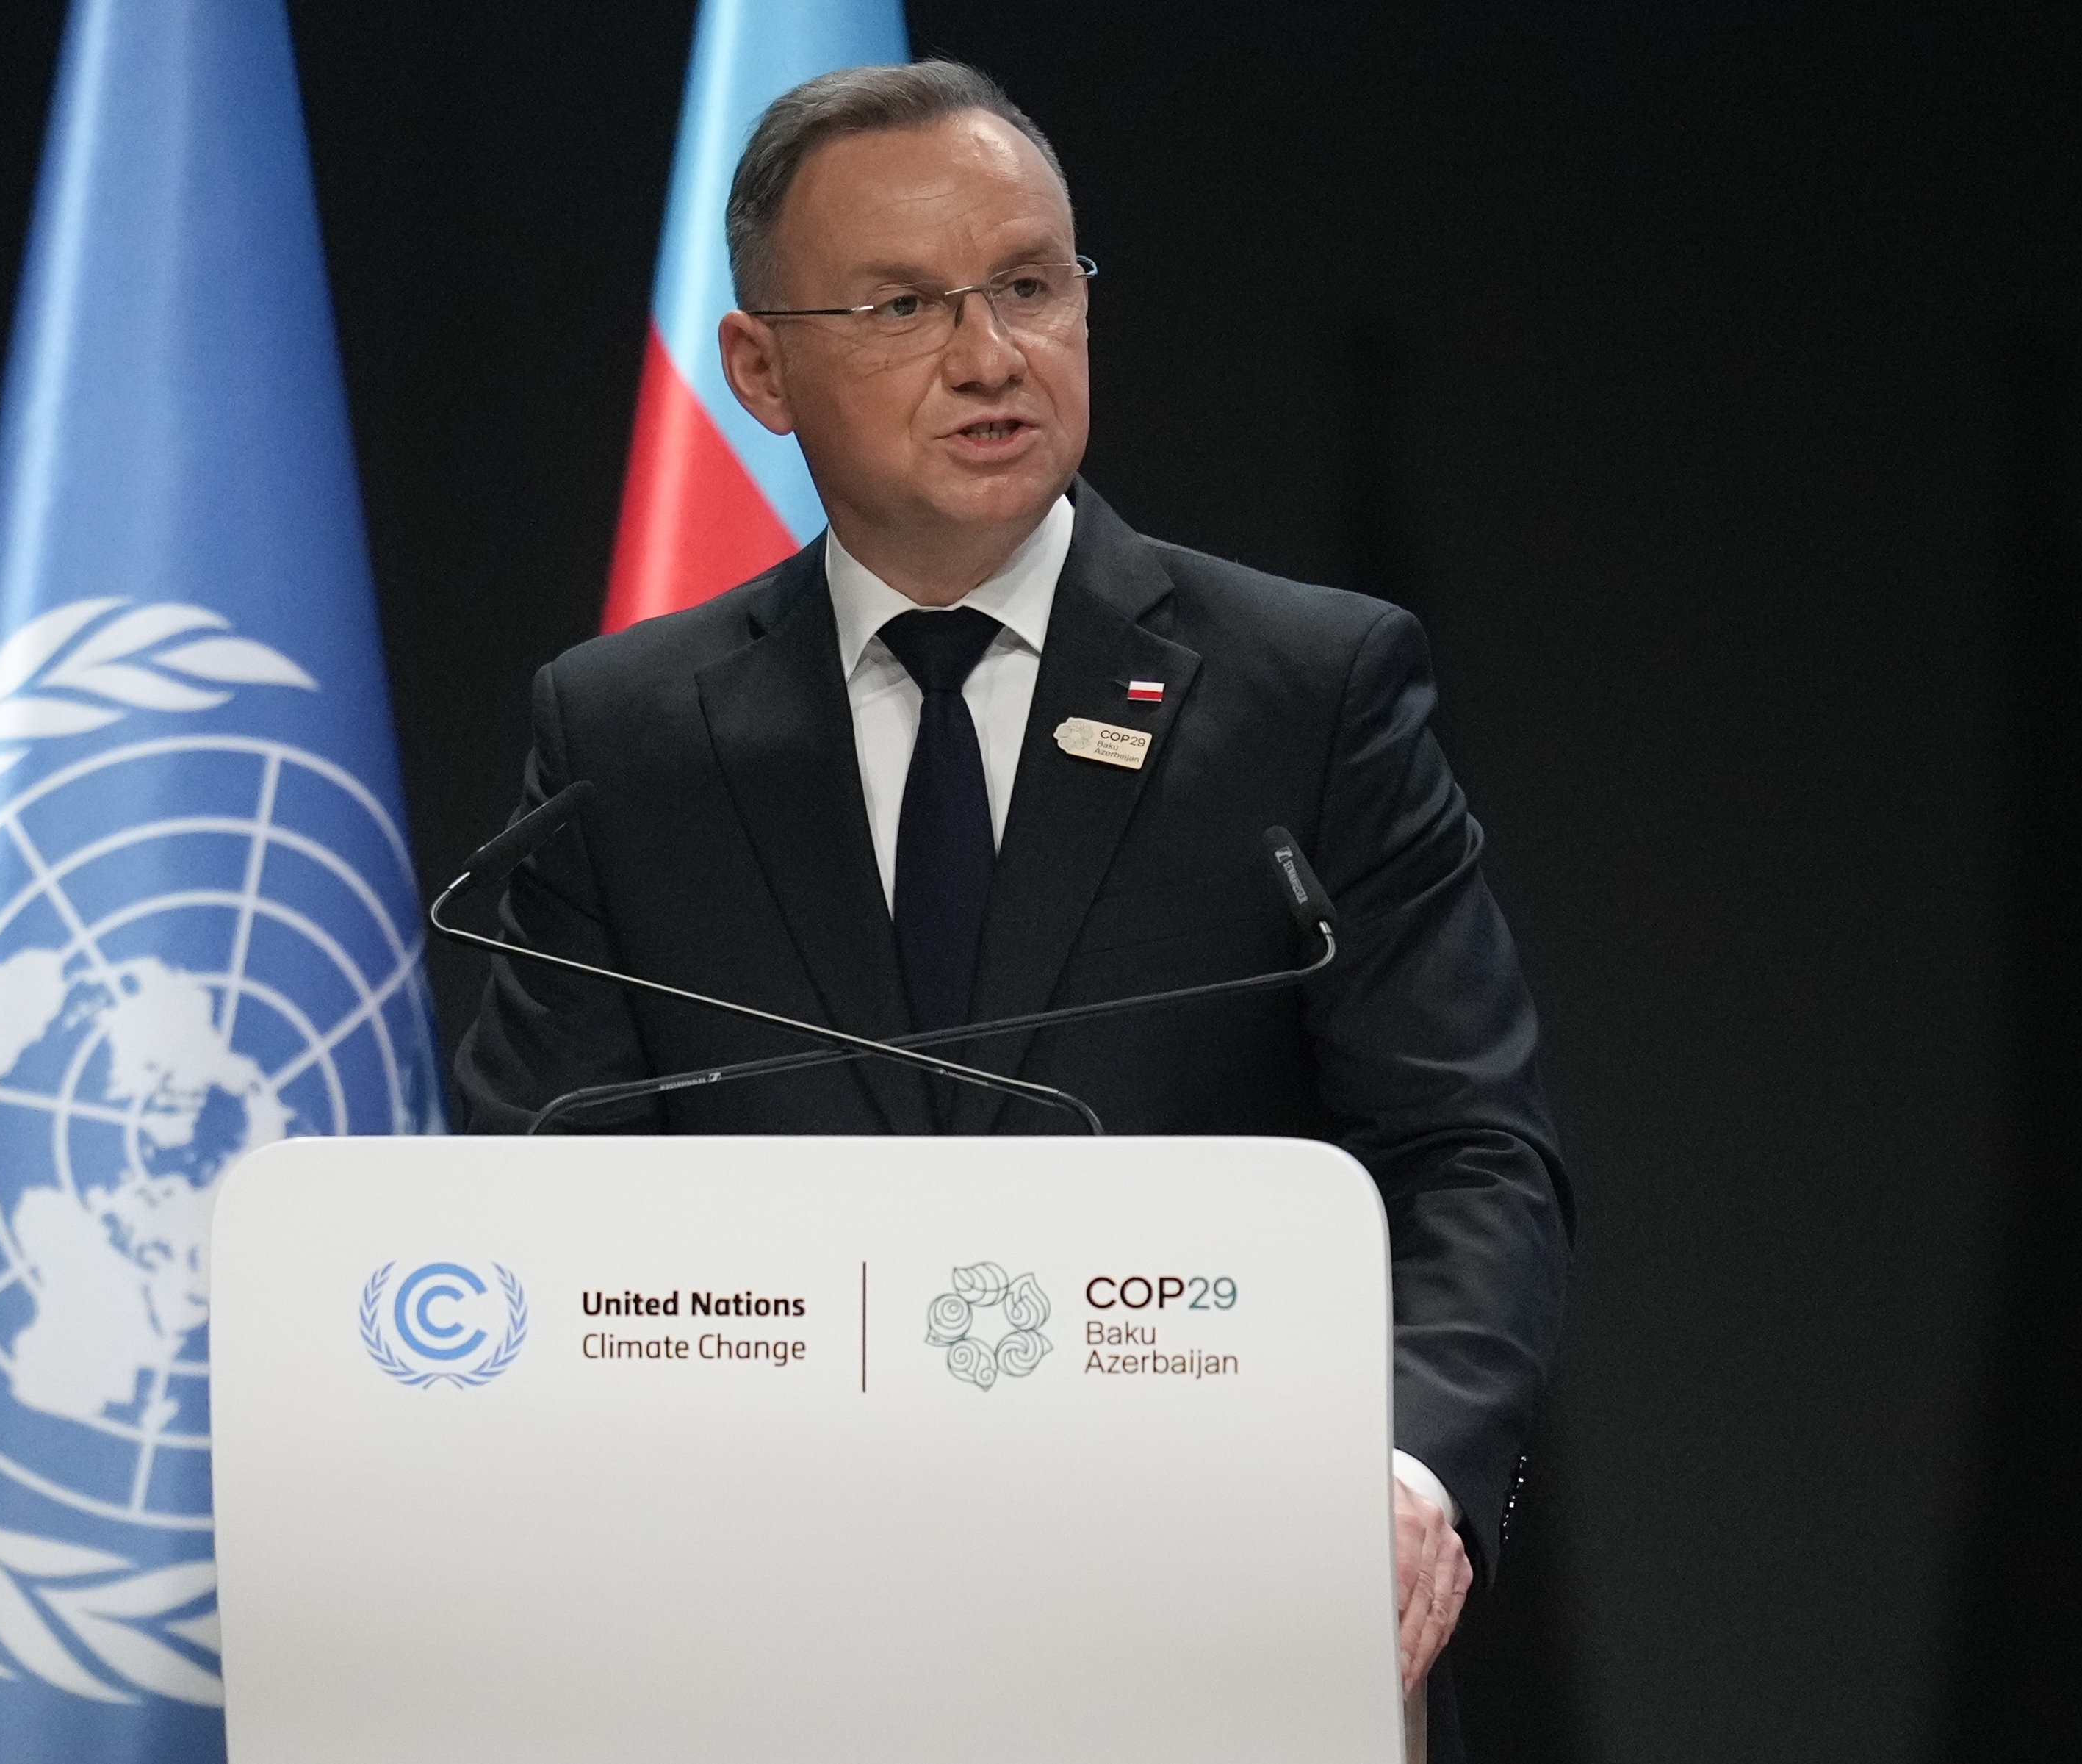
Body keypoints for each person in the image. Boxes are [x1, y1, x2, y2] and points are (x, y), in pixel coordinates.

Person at [453, 60, 1570, 1760]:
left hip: (1222, 1614)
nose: (989, 356)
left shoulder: (1307, 692)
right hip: (761, 1639)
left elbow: (1473, 1150)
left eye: (1030, 286)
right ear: (758, 368)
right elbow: (541, 1193)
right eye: (901, 306)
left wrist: (1413, 1472)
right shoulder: (624, 737)